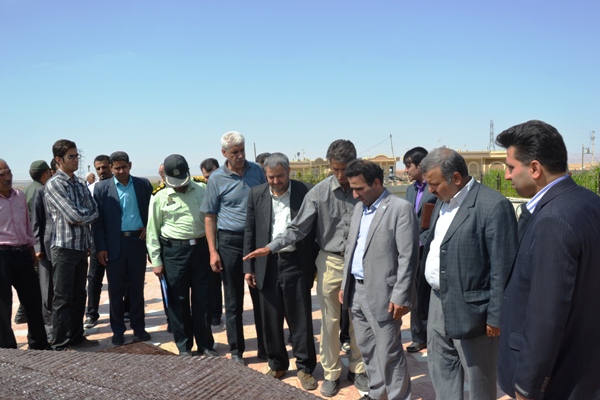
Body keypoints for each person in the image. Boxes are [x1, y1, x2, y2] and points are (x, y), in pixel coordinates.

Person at [244, 140, 367, 397]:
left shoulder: (366, 188)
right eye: (335, 169)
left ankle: (358, 369)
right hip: (331, 261)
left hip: (361, 262)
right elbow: (298, 228)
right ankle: (331, 373)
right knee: (330, 321)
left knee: (359, 319)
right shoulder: (318, 192)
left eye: (345, 169)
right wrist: (270, 248)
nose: (341, 175)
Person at [496, 120, 600, 400]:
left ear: (534, 168)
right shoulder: (589, 202)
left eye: (510, 167)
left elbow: (546, 316)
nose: (507, 176)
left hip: (558, 378)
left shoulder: (553, 219)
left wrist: (527, 386)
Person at [420, 148, 517, 400]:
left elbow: (502, 267)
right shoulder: (441, 202)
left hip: (474, 313)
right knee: (442, 372)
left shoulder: (493, 206)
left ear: (456, 178)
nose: (430, 189)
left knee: (478, 382)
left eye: (434, 184)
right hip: (437, 302)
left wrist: (495, 317)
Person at [340, 160, 419, 400]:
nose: (355, 194)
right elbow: (351, 248)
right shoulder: (359, 208)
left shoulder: (399, 209)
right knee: (367, 348)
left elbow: (407, 257)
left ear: (376, 183)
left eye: (359, 188)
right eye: (352, 189)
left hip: (384, 294)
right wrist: (345, 285)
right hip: (356, 290)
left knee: (389, 352)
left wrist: (400, 295)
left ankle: (398, 396)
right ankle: (377, 393)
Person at [243, 153, 318, 390]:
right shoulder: (256, 194)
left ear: (288, 172)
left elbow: (315, 230)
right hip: (266, 264)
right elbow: (249, 231)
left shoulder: (305, 192)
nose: (275, 181)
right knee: (270, 318)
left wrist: (314, 265)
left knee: (300, 318)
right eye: (270, 177)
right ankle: (277, 364)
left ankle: (305, 367)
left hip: (296, 262)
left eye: (280, 176)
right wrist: (249, 267)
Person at [201, 131, 267, 365]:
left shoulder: (257, 171)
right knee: (233, 298)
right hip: (230, 242)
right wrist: (213, 251)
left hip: (257, 241)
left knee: (261, 295)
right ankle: (237, 349)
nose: (240, 156)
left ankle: (265, 347)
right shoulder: (216, 179)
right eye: (234, 152)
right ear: (224, 153)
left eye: (242, 150)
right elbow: (209, 216)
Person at [146, 154, 215, 357]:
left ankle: (205, 344)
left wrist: (214, 251)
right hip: (174, 253)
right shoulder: (159, 196)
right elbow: (152, 231)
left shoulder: (203, 189)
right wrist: (156, 260)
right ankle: (184, 346)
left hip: (201, 250)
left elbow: (213, 221)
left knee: (203, 299)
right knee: (178, 300)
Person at [93, 151, 153, 346]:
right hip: (114, 246)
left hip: (137, 242)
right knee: (115, 290)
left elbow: (151, 212)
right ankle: (118, 330)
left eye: (124, 167)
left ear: (130, 165)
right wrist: (100, 247)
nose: (121, 171)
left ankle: (139, 328)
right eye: (117, 168)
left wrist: (148, 227)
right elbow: (98, 222)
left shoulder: (143, 185)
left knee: (137, 288)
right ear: (111, 168)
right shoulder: (102, 189)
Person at [44, 139, 99, 351]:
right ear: (58, 160)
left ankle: (76, 336)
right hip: (64, 248)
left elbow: (94, 210)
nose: (76, 160)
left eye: (77, 156)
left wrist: (83, 216)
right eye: (71, 157)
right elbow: (73, 215)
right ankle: (60, 342)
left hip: (81, 247)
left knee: (79, 295)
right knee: (62, 298)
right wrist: (85, 215)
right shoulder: (55, 184)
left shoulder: (80, 183)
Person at [0, 158, 49, 350]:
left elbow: (27, 225)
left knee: (34, 300)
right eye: (1, 174)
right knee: (3, 306)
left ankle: (39, 345)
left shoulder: (19, 195)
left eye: (9, 172)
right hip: (2, 256)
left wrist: (32, 249)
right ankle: (8, 350)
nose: (7, 177)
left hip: (22, 254)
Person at [403, 146, 437, 353]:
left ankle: (432, 335)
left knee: (428, 293)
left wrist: (424, 239)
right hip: (412, 247)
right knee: (415, 294)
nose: (406, 170)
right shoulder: (410, 190)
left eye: (409, 166)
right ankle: (418, 336)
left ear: (420, 165)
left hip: (429, 247)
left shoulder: (434, 189)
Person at [13, 160, 53, 325]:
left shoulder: (26, 189)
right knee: (37, 283)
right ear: (45, 173)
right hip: (36, 242)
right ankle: (27, 314)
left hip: (29, 240)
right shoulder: (40, 190)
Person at [84, 154, 114, 329]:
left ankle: (124, 310)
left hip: (116, 239)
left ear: (111, 166)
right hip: (97, 239)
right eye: (98, 168)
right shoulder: (91, 189)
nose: (102, 171)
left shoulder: (118, 186)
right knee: (94, 278)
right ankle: (91, 314)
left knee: (121, 277)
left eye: (104, 167)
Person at [31, 159, 58, 340]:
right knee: (47, 291)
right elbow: (36, 223)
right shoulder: (40, 192)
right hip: (46, 250)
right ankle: (50, 331)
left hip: (65, 248)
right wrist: (38, 247)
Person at [200, 157, 223, 327]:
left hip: (227, 240)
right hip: (210, 243)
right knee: (211, 280)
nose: (210, 180)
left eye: (212, 175)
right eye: (207, 177)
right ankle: (213, 313)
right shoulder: (202, 190)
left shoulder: (226, 186)